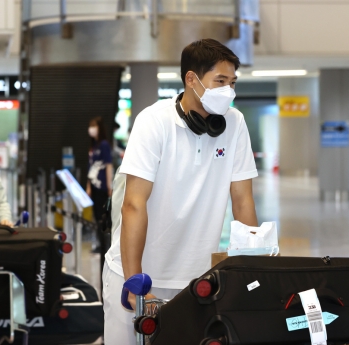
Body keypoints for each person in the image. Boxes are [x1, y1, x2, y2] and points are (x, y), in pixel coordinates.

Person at [102, 39, 258, 344]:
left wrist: (253, 270)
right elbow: (133, 204)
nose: (229, 91)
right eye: (221, 81)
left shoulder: (235, 123)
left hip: (196, 281)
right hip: (135, 276)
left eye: (232, 82)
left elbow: (243, 201)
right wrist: (136, 282)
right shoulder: (154, 122)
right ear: (191, 79)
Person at [86, 116, 113, 253]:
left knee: (102, 217)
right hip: (94, 186)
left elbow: (108, 166)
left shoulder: (104, 145)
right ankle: (99, 244)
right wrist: (88, 187)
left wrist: (109, 186)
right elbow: (90, 168)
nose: (91, 129)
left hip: (102, 186)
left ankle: (105, 245)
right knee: (96, 217)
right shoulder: (94, 146)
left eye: (94, 126)